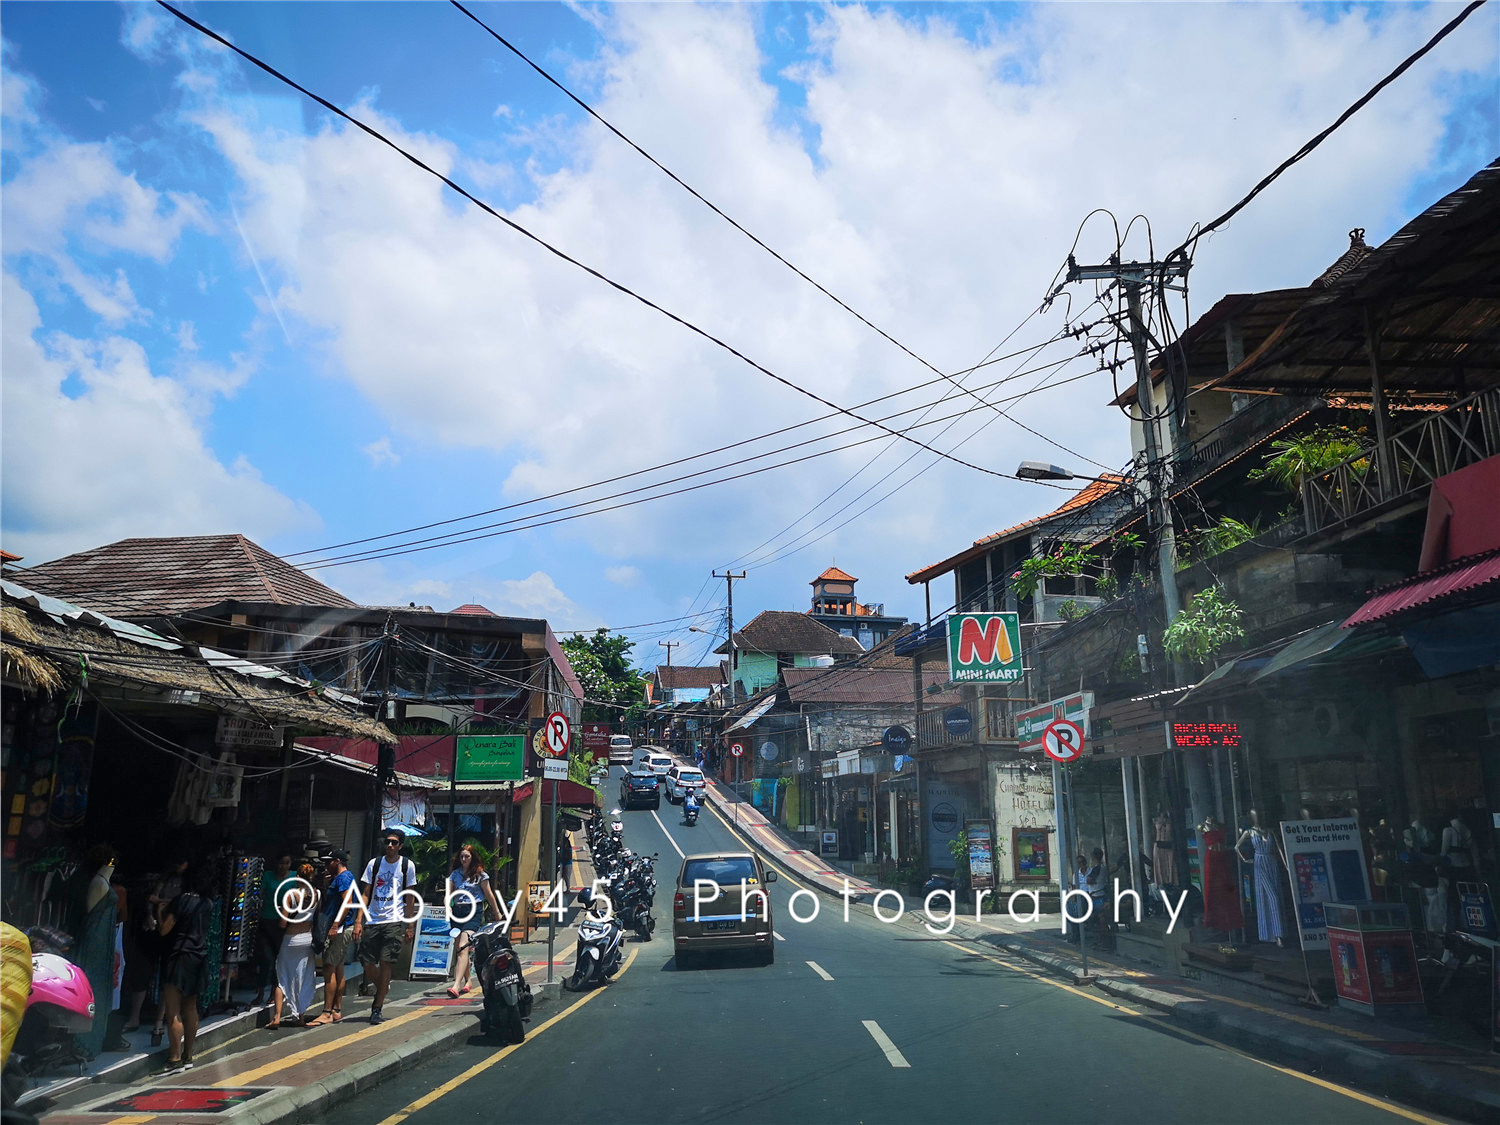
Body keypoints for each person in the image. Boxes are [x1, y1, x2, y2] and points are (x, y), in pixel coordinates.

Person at [352, 831, 417, 1025]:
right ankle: (383, 986)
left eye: (394, 843)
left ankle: (377, 1008)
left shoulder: (407, 866)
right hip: (373, 919)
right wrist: (358, 920)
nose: (389, 845)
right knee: (367, 961)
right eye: (387, 842)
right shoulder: (375, 864)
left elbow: (410, 898)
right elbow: (365, 893)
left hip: (394, 920)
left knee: (386, 961)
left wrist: (410, 925)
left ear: (400, 846)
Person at [158, 866, 215, 1071]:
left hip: (178, 957)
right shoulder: (207, 904)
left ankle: (174, 1058)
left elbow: (165, 929)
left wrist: (159, 910)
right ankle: (188, 1056)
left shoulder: (180, 900)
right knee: (190, 1008)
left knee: (172, 1011)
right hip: (198, 957)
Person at [445, 843, 503, 999]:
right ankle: (468, 981)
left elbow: (489, 895)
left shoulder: (480, 875)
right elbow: (448, 893)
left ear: (473, 858)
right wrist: (448, 907)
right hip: (458, 912)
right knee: (459, 948)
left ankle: (456, 985)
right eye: (462, 856)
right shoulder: (455, 875)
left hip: (473, 911)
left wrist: (496, 912)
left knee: (463, 947)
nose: (464, 859)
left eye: (467, 856)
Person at [307, 851, 356, 1025]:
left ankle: (327, 1012)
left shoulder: (344, 877)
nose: (327, 865)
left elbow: (347, 901)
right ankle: (336, 1009)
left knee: (329, 968)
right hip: (343, 927)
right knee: (338, 968)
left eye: (329, 862)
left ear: (337, 861)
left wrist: (335, 924)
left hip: (340, 928)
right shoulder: (342, 877)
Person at [269, 862, 319, 1029]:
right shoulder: (316, 894)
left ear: (297, 877)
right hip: (307, 939)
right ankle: (301, 1016)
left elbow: (283, 922)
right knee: (302, 977)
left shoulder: (291, 895)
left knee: (282, 977)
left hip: (290, 940)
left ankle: (276, 1017)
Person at [254, 855, 293, 1006]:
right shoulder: (268, 876)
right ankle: (260, 991)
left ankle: (274, 992)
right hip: (266, 921)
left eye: (286, 863)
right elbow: (261, 895)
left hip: (283, 924)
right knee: (265, 957)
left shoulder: (294, 877)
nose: (283, 866)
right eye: (281, 863)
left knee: (278, 959)